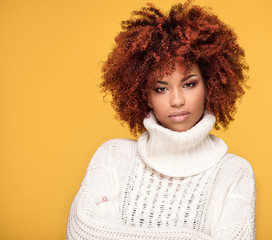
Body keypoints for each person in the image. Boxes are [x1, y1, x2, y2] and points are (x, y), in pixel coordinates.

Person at [66, 1, 256, 239]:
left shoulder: (234, 172)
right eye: (161, 88)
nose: (177, 100)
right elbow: (81, 233)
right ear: (144, 95)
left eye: (189, 84)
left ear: (210, 85)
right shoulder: (113, 158)